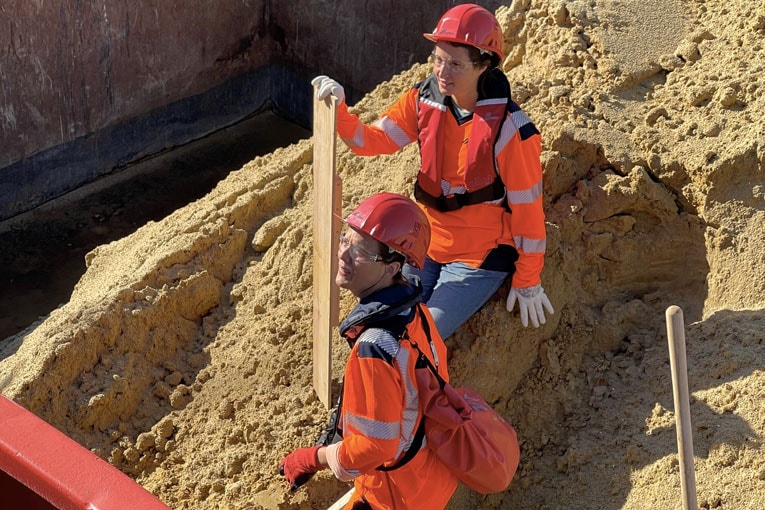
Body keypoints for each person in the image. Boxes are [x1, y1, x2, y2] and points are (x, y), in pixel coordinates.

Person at [311, 4, 554, 340]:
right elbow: (370, 141)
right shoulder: (423, 101)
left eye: (455, 64)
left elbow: (528, 211)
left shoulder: (512, 130)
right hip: (425, 247)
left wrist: (528, 279)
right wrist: (340, 110)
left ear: (483, 65)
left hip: (477, 259)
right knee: (377, 324)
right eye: (438, 59)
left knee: (421, 336)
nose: (442, 72)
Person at [279, 192, 458, 508]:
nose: (344, 254)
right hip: (430, 478)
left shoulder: (374, 347)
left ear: (392, 267)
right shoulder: (418, 314)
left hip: (395, 496)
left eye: (360, 250)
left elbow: (374, 448)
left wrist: (313, 457)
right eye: (345, 240)